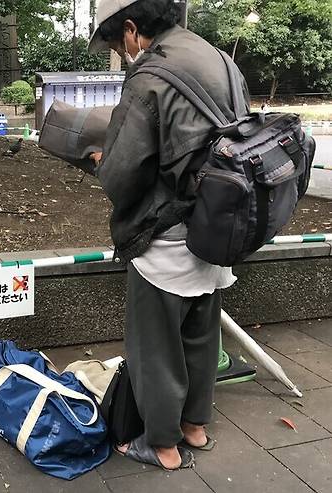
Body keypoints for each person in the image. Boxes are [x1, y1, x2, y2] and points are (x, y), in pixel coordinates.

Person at [88, 0, 249, 470]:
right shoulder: (220, 59)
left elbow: (122, 174)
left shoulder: (150, 76)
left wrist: (100, 163)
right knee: (200, 333)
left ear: (133, 30)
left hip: (166, 232)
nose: (125, 53)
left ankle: (161, 445)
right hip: (219, 224)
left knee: (156, 346)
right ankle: (194, 427)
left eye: (121, 45)